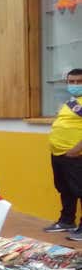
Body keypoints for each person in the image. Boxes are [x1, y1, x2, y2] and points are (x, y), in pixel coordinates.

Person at [45, 68, 82, 241]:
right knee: (65, 189)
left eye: (79, 82)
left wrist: (77, 148)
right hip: (59, 154)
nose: (74, 85)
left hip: (76, 155)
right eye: (71, 82)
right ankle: (67, 221)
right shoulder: (72, 102)